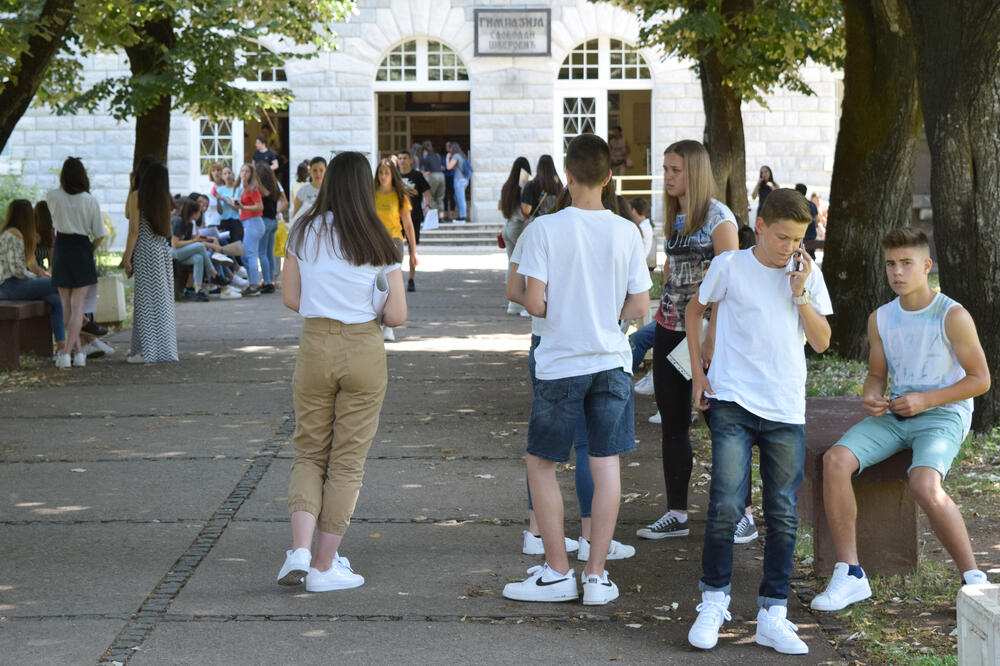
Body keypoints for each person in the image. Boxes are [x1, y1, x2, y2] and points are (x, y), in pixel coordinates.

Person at [501, 133, 651, 607]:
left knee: (542, 464)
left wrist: (560, 310)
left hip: (561, 361)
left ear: (567, 174)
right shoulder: (626, 230)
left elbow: (534, 299)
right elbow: (640, 303)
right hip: (610, 360)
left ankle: (557, 572)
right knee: (605, 464)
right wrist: (607, 317)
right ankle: (598, 575)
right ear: (609, 177)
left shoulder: (543, 229)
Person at [810, 227, 990, 613]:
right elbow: (877, 374)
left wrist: (926, 399)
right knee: (835, 460)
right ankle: (851, 574)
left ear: (926, 266)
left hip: (942, 413)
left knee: (924, 483)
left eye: (907, 263)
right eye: (891, 263)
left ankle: (974, 579)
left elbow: (980, 380)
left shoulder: (952, 315)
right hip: (896, 413)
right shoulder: (881, 318)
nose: (897, 271)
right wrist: (870, 394)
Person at [685, 188, 832, 655]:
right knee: (727, 504)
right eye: (784, 237)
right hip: (732, 398)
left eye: (800, 238)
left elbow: (823, 341)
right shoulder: (731, 266)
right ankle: (713, 601)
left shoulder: (805, 273)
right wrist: (697, 373)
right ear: (761, 228)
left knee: (783, 513)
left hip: (785, 407)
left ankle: (773, 613)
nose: (791, 247)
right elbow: (695, 310)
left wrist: (801, 293)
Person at [275, 151, 407, 593]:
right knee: (347, 462)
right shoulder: (379, 237)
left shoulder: (304, 229)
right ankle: (324, 565)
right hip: (364, 347)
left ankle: (299, 548)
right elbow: (398, 315)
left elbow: (290, 297)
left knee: (309, 451)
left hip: (315, 345)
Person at [636, 140, 740, 541]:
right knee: (673, 423)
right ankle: (676, 513)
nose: (667, 177)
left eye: (675, 170)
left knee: (721, 424)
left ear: (694, 171)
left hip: (706, 335)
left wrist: (712, 339)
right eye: (664, 169)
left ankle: (740, 512)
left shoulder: (719, 219)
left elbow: (731, 287)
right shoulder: (675, 215)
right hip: (669, 330)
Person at [46, 157, 105, 368]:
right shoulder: (89, 200)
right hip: (81, 247)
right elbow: (99, 233)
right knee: (77, 306)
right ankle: (68, 354)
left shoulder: (51, 196)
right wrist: (91, 249)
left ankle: (76, 352)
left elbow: (53, 225)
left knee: (66, 306)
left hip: (62, 247)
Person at [124, 162, 178, 363]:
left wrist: (127, 257)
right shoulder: (164, 199)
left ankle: (147, 351)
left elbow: (133, 230)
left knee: (145, 301)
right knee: (161, 302)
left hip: (145, 249)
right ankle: (160, 349)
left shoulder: (138, 196)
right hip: (161, 249)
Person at [0, 199, 67, 364]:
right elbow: (17, 271)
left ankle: (62, 348)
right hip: (11, 286)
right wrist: (39, 277)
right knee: (59, 283)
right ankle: (84, 324)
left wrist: (39, 275)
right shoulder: (13, 235)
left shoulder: (11, 232)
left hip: (16, 284)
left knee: (56, 300)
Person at [373, 159, 418, 340]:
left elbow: (408, 224)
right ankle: (376, 322)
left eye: (386, 173)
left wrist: (414, 252)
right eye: (380, 172)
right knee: (375, 284)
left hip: (393, 242)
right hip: (374, 242)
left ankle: (388, 325)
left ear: (393, 175)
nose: (383, 176)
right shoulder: (371, 194)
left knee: (390, 285)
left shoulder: (400, 196)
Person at [171, 198, 221, 302]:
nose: (201, 214)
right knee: (199, 246)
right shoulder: (178, 221)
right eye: (199, 212)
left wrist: (197, 240)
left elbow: (190, 240)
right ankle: (213, 272)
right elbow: (174, 244)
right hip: (171, 252)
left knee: (198, 257)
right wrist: (194, 242)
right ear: (193, 212)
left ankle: (198, 290)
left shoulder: (189, 224)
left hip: (180, 253)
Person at [499, 156, 532, 315]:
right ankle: (523, 303)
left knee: (512, 265)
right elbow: (527, 209)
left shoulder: (507, 185)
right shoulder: (524, 185)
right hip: (519, 226)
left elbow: (501, 206)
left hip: (507, 225)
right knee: (525, 265)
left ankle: (512, 304)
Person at [396, 150, 430, 292]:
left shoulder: (417, 175)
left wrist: (427, 205)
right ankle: (396, 279)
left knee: (412, 248)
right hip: (395, 217)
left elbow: (426, 193)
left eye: (405, 158)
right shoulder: (394, 175)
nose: (402, 161)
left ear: (410, 160)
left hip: (414, 216)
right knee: (395, 249)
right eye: (400, 158)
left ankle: (411, 279)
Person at [256, 162, 287, 294]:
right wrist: (276, 212)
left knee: (261, 253)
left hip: (263, 221)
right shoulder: (275, 185)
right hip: (273, 221)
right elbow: (285, 201)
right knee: (269, 253)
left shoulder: (259, 187)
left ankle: (267, 281)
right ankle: (271, 281)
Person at [234, 163, 265, 295]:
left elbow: (260, 207)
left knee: (250, 255)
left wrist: (243, 208)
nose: (244, 173)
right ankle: (253, 283)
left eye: (247, 171)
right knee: (246, 256)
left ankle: (253, 285)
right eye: (242, 171)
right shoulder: (243, 188)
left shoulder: (253, 188)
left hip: (254, 223)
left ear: (251, 174)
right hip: (248, 223)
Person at [520, 155, 563, 224]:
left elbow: (526, 210)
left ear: (538, 167)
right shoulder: (558, 185)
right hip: (555, 224)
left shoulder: (531, 185)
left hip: (538, 224)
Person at [292, 157, 326, 222]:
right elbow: (295, 215)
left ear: (326, 170)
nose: (318, 174)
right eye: (314, 170)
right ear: (309, 171)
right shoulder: (303, 191)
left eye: (321, 170)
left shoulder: (331, 191)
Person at [446, 141, 470, 223]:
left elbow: (449, 167)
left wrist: (447, 158)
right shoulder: (462, 155)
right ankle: (461, 216)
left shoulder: (456, 156)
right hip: (464, 179)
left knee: (460, 198)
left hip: (459, 180)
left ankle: (462, 217)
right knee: (458, 198)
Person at [420, 140, 445, 214]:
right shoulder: (437, 156)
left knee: (432, 197)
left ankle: (434, 216)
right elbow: (441, 167)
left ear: (425, 150)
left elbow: (426, 170)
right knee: (440, 197)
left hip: (433, 176)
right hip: (442, 176)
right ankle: (441, 217)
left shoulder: (426, 158)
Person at [795, 183, 819, 259]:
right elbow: (817, 221)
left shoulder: (795, 204)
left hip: (799, 238)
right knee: (811, 258)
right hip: (811, 236)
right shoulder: (812, 205)